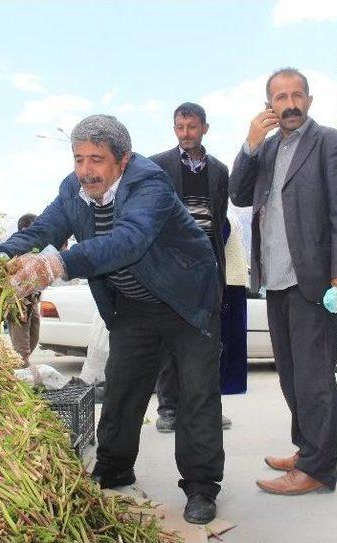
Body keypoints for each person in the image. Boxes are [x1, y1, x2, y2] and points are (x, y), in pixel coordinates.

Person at [0, 114, 224, 525]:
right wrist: (2, 255)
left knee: (195, 396)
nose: (86, 171)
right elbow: (45, 227)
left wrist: (58, 264)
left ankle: (201, 487)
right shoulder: (73, 188)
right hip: (133, 306)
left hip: (186, 300)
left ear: (123, 159)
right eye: (79, 159)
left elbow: (128, 241)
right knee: (121, 389)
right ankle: (115, 468)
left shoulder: (149, 183)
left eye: (96, 160)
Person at [229, 67, 337, 495]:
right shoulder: (266, 150)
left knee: (314, 377)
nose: (289, 104)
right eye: (280, 97)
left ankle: (319, 469)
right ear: (270, 104)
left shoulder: (332, 143)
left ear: (308, 99)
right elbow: (238, 194)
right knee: (289, 373)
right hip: (276, 280)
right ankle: (308, 449)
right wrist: (249, 145)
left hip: (314, 280)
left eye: (296, 95)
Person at [149, 102, 230, 433]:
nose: (186, 134)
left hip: (207, 267)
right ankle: (168, 408)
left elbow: (219, 219)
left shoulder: (220, 171)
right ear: (174, 129)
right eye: (180, 128)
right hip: (171, 267)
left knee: (209, 339)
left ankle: (207, 407)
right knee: (170, 339)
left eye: (192, 127)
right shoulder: (157, 166)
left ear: (204, 128)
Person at [219, 210, 249, 395]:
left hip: (235, 284)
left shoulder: (228, 214)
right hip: (228, 284)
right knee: (227, 340)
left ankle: (231, 384)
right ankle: (225, 384)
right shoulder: (224, 215)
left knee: (234, 339)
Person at [6, 213, 41, 366]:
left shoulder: (34, 247)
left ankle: (19, 364)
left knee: (34, 337)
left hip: (32, 299)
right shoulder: (13, 247)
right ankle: (19, 375)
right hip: (18, 302)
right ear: (25, 228)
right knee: (22, 348)